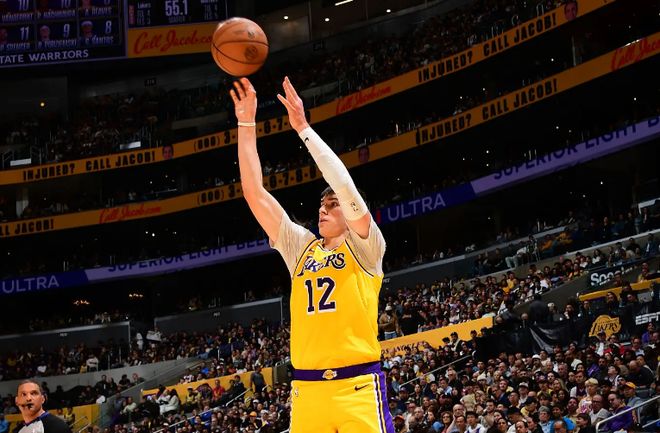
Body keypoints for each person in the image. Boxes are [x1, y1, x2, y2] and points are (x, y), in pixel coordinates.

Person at [230, 75, 390, 433]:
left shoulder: (366, 246)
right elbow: (254, 193)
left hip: (357, 387)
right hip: (307, 390)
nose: (323, 208)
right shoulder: (301, 246)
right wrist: (246, 123)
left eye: (332, 205)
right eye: (321, 204)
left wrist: (302, 128)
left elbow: (343, 184)